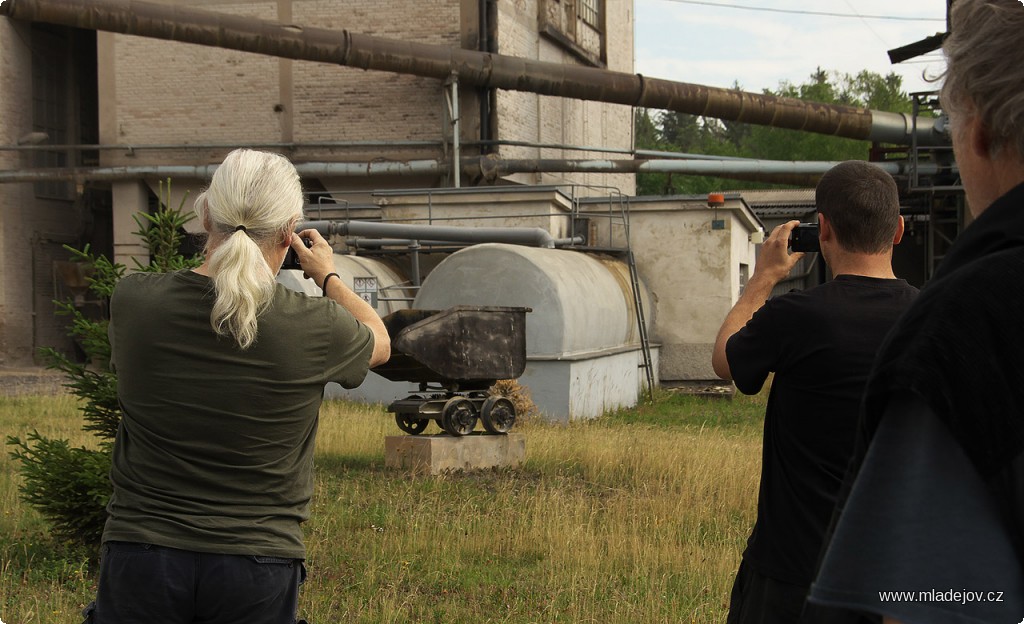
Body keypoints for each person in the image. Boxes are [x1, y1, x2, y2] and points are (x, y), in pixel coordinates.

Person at [87, 148, 391, 624]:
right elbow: (380, 342)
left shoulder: (134, 301)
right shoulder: (315, 325)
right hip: (258, 561)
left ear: (205, 213)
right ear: (291, 232)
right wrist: (326, 274)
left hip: (141, 549)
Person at [808, 1, 1024, 622]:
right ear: (900, 229)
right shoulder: (926, 309)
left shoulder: (972, 323)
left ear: (978, 131)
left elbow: (931, 599)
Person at [711, 160, 918, 624]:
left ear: (821, 229)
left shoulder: (797, 316)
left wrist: (763, 278)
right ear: (899, 230)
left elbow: (725, 361)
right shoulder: (936, 317)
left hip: (793, 575)